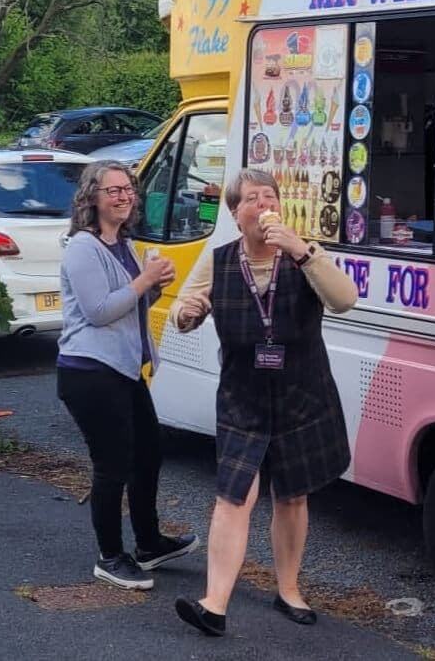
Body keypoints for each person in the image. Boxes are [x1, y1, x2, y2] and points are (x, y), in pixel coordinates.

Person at [170, 168, 358, 636]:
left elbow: (345, 299)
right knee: (234, 497)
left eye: (268, 196)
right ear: (236, 214)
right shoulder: (219, 261)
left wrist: (301, 250)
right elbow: (182, 308)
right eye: (251, 198)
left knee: (292, 496)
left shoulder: (305, 253)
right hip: (243, 397)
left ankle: (289, 589)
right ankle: (214, 604)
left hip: (301, 393)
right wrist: (186, 312)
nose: (262, 204)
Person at [57, 160, 199, 591]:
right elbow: (99, 312)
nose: (123, 197)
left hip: (123, 370)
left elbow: (128, 302)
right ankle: (109, 556)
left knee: (148, 454)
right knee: (113, 464)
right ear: (92, 199)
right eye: (112, 190)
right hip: (89, 372)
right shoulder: (83, 247)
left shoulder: (125, 244)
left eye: (128, 190)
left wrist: (153, 284)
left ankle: (150, 543)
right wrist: (144, 282)